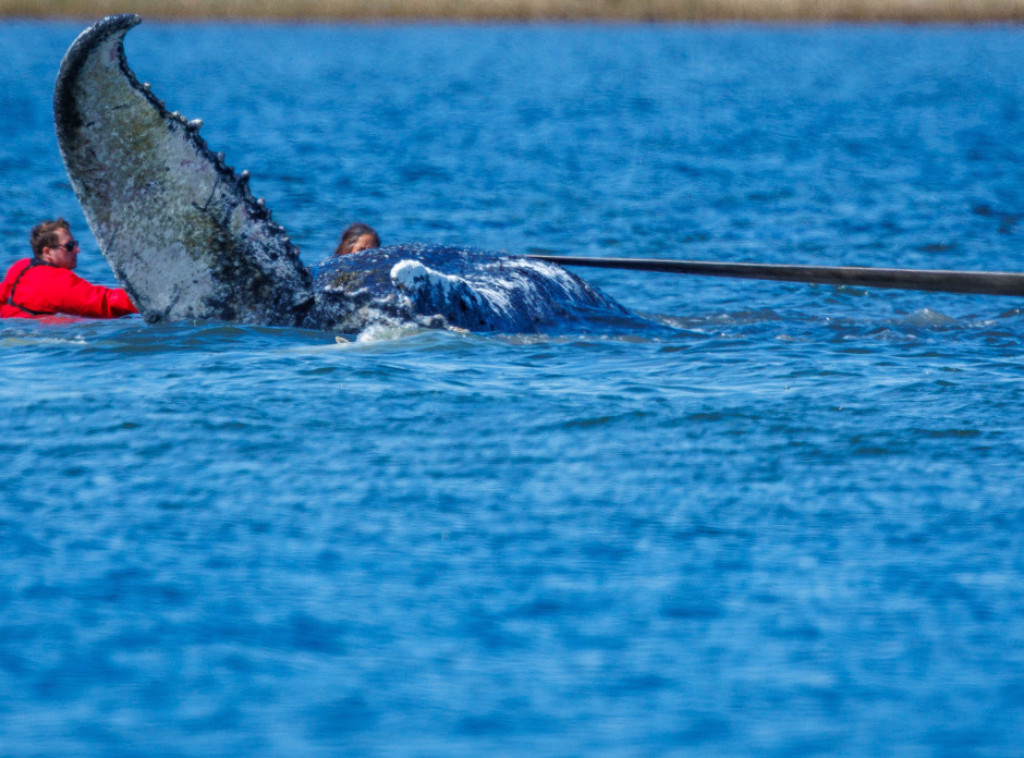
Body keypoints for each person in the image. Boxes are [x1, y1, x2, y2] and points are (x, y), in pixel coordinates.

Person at [0, 219, 137, 319]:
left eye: (75, 244)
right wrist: (144, 298)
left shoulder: (21, 267)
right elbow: (103, 303)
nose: (77, 250)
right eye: (69, 246)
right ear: (47, 252)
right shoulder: (53, 281)